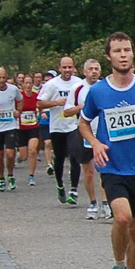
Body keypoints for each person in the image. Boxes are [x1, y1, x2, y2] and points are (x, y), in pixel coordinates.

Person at [80, 32, 135, 269]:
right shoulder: (98, 91)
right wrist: (96, 144)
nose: (123, 55)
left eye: (127, 50)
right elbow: (83, 123)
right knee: (121, 217)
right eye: (117, 51)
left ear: (133, 53)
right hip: (113, 166)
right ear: (109, 56)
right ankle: (118, 265)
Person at [39, 57, 86, 205]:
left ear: (74, 68)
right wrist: (56, 103)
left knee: (74, 156)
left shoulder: (79, 83)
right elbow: (40, 103)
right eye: (64, 68)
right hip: (57, 126)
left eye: (70, 67)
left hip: (73, 125)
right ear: (59, 68)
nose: (67, 70)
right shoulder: (51, 84)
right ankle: (60, 185)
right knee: (59, 158)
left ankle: (73, 190)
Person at [73, 59, 105, 217]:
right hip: (86, 132)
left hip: (103, 133)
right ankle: (93, 202)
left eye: (96, 69)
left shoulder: (104, 86)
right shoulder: (78, 88)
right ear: (84, 72)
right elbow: (66, 111)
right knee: (89, 171)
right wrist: (80, 108)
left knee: (105, 169)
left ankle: (105, 203)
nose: (94, 72)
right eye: (91, 69)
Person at [16, 72, 42, 186]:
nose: (28, 85)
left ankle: (31, 176)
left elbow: (41, 106)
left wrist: (41, 112)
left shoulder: (37, 96)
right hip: (21, 128)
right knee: (24, 156)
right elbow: (14, 109)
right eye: (26, 83)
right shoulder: (18, 97)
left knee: (32, 151)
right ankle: (19, 156)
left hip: (33, 127)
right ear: (22, 84)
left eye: (30, 83)